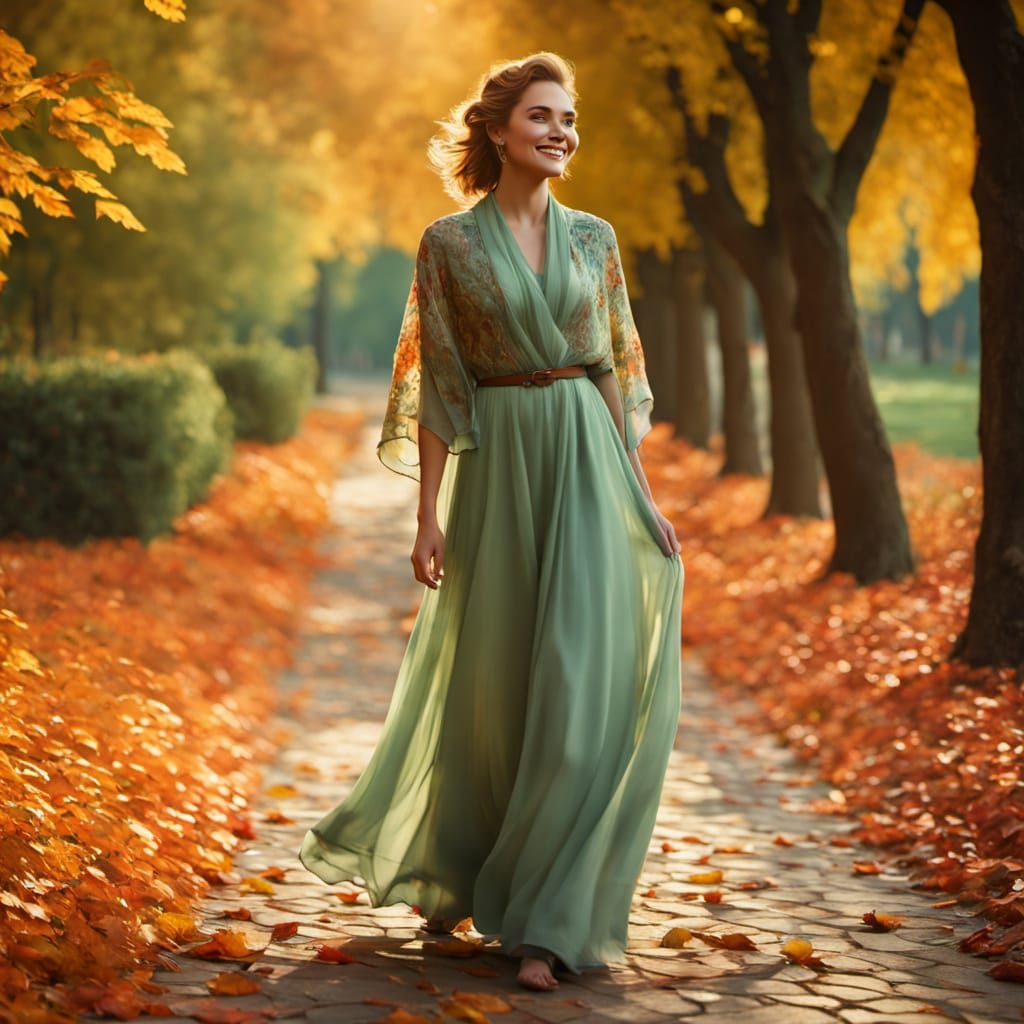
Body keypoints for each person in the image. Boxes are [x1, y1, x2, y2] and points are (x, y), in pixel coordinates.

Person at [298, 51, 684, 993]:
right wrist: (425, 516)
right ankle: (463, 870)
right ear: (500, 129)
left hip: (589, 465)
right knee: (493, 682)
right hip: (500, 467)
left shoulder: (596, 240)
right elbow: (439, 386)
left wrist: (642, 491)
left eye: (570, 119)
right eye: (544, 116)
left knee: (576, 687)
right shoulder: (449, 246)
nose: (562, 132)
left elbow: (613, 371)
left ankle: (552, 920)